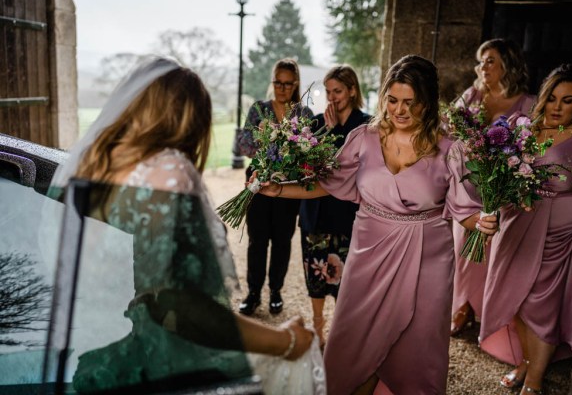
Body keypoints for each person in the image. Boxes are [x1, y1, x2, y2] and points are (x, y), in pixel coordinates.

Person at [48, 57, 322, 394]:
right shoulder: (167, 173)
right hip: (136, 363)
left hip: (72, 355)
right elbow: (188, 309)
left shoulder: (89, 163)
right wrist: (286, 340)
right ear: (191, 122)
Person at [254, 55, 498, 394]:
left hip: (427, 255)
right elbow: (327, 183)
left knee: (419, 340)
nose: (399, 110)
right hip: (369, 249)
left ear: (427, 102)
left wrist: (482, 221)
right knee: (354, 336)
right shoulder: (363, 138)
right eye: (392, 100)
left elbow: (464, 209)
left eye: (410, 103)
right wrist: (279, 189)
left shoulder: (450, 148)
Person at [479, 64, 572, 394]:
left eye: (568, 100)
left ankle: (533, 381)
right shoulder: (524, 130)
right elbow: (502, 174)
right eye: (552, 99)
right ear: (543, 98)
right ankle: (526, 362)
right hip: (519, 223)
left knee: (542, 307)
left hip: (562, 233)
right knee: (517, 300)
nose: (557, 107)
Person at [450, 38, 537, 336]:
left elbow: (532, 149)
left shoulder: (529, 103)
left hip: (503, 188)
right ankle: (462, 305)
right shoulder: (472, 95)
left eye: (490, 60)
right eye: (481, 61)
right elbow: (451, 131)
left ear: (507, 66)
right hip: (469, 185)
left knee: (495, 252)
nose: (482, 66)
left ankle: (488, 310)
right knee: (463, 244)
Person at [298, 64, 371, 349]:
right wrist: (326, 131)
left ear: (352, 90)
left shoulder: (367, 126)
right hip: (315, 212)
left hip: (346, 214)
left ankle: (342, 333)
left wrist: (335, 132)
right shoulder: (316, 123)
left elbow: (356, 168)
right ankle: (317, 328)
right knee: (315, 272)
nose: (332, 98)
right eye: (328, 92)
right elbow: (308, 167)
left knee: (346, 280)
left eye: (337, 91)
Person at [239, 58, 314, 316]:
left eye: (287, 84)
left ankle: (276, 292)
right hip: (258, 183)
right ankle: (253, 293)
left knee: (282, 241)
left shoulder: (304, 115)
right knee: (256, 240)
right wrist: (262, 138)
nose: (282, 88)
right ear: (273, 82)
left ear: (295, 84)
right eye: (277, 83)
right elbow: (243, 145)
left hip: (288, 187)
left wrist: (290, 149)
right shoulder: (258, 109)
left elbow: (309, 154)